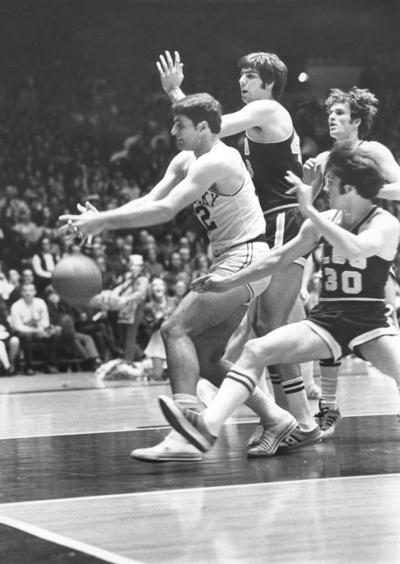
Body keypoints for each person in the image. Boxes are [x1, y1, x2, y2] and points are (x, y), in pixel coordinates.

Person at [59, 93, 269, 461]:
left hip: (246, 256)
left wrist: (101, 222)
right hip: (234, 259)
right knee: (207, 357)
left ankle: (186, 432)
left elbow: (167, 210)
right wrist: (101, 218)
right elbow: (151, 198)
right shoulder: (186, 160)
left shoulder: (219, 160)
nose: (172, 131)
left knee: (175, 329)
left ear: (203, 128)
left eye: (180, 125)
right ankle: (276, 417)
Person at [159, 144, 400, 457]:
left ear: (350, 187)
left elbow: (356, 248)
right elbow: (277, 259)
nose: (324, 186)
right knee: (256, 349)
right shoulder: (321, 220)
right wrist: (227, 281)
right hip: (328, 322)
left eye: (330, 181)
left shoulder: (384, 223)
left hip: (371, 327)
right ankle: (206, 428)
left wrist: (310, 210)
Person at [157, 50, 320, 443]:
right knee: (255, 332)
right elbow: (206, 129)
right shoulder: (254, 124)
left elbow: (210, 126)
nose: (242, 82)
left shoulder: (268, 110)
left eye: (250, 76)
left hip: (283, 217)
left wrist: (176, 90)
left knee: (268, 326)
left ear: (268, 84)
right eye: (241, 75)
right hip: (266, 225)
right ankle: (289, 420)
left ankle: (301, 423)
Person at [303, 87, 400, 437]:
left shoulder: (372, 151)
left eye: (341, 113)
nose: (332, 118)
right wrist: (308, 184)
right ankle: (327, 408)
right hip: (334, 248)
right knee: (329, 325)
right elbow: (307, 205)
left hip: (370, 246)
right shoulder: (326, 158)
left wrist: (364, 189)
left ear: (357, 121)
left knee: (385, 330)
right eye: (330, 113)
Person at [10, 282, 61, 375]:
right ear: (21, 293)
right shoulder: (16, 306)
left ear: (35, 292)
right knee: (26, 336)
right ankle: (29, 367)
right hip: (23, 332)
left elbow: (46, 320)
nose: (28, 293)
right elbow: (18, 326)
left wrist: (42, 328)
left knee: (55, 334)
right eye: (25, 291)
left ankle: (50, 365)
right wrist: (35, 330)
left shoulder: (40, 302)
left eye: (31, 290)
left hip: (39, 329)